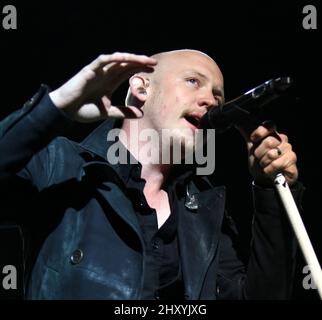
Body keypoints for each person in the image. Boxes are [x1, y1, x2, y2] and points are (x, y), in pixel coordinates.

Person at [0, 50, 303, 300]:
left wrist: (271, 192)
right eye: (193, 81)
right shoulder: (62, 164)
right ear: (141, 88)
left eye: (218, 97)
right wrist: (58, 106)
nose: (210, 101)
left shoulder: (202, 211)